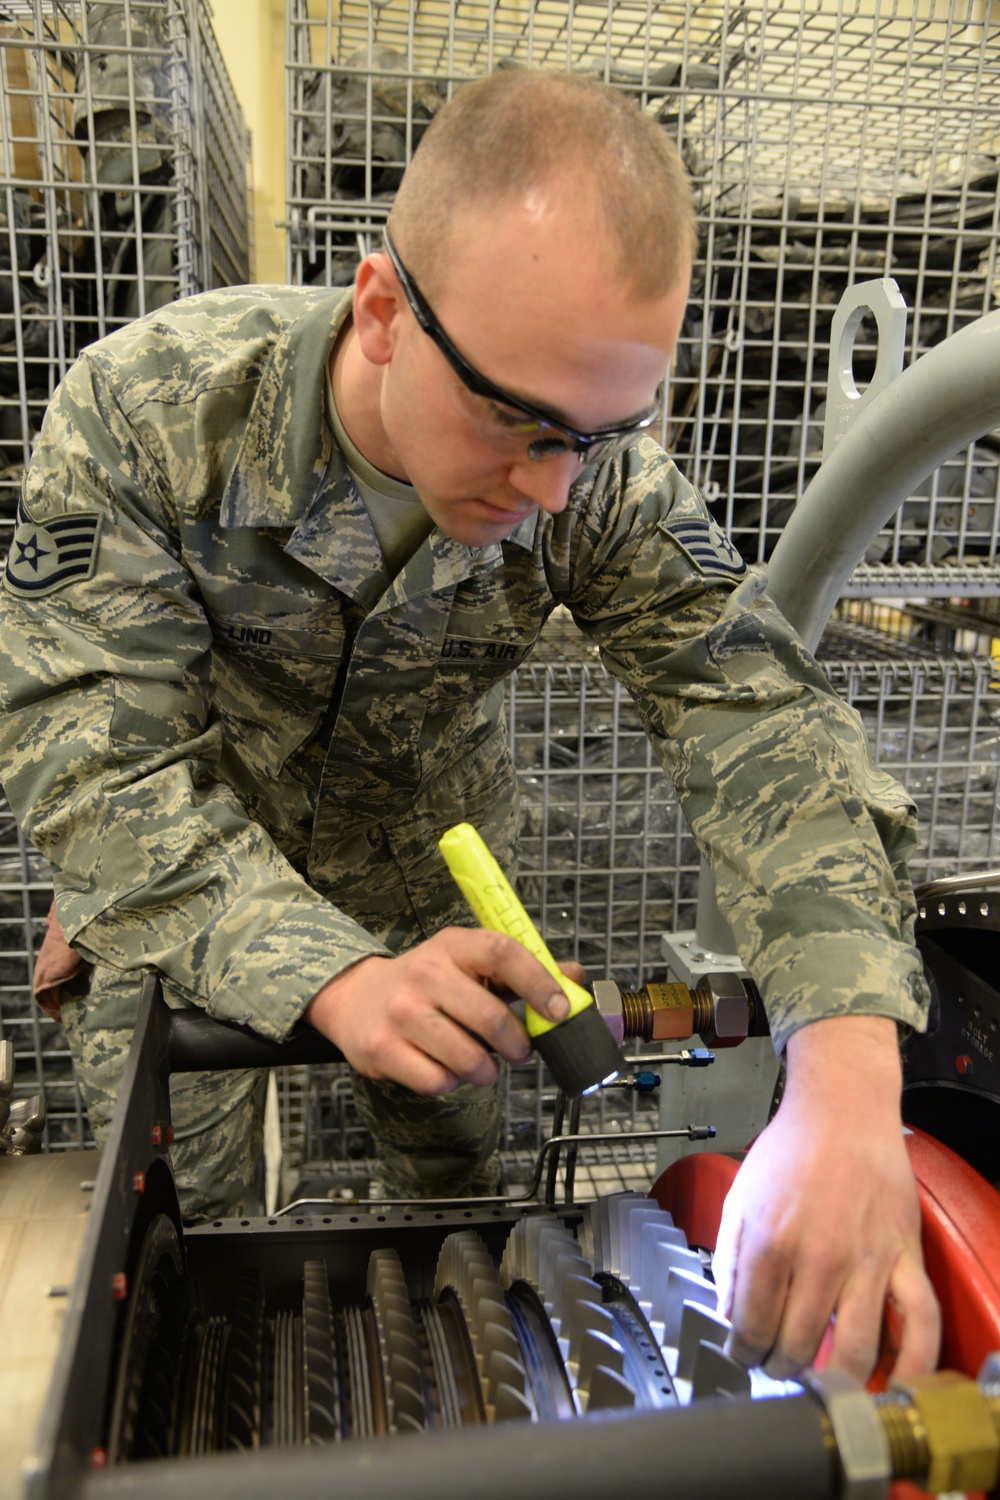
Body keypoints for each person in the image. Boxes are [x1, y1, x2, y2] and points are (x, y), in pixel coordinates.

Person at [0, 68, 939, 1383]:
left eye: (602, 435)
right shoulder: (153, 419)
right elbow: (96, 759)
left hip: (428, 892)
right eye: (516, 418)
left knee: (459, 1229)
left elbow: (758, 717)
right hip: (187, 874)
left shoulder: (592, 475)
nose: (554, 489)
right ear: (385, 310)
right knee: (166, 1259)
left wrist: (846, 1075)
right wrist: (326, 976)